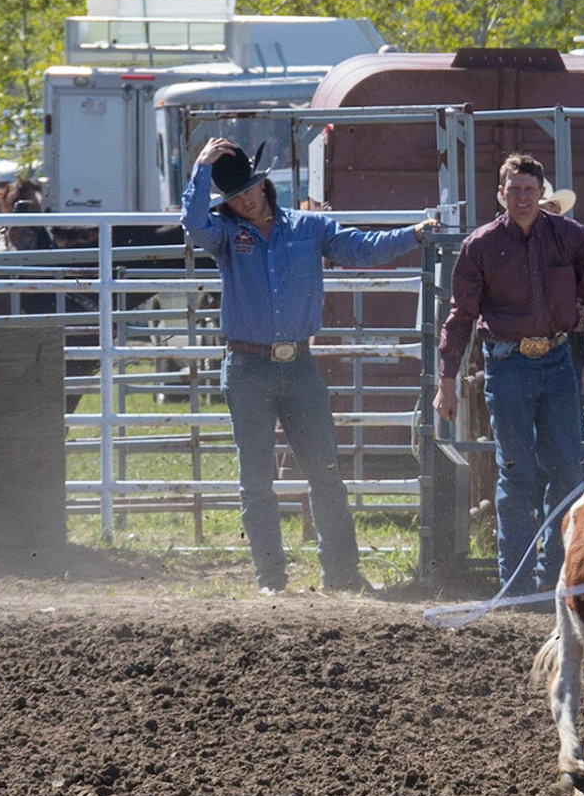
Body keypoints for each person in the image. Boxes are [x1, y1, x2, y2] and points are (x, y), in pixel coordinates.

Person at [181, 138, 434, 594]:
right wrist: (200, 168)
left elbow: (363, 248)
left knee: (325, 470)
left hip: (296, 363)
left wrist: (413, 234)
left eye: (250, 189)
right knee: (257, 478)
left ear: (263, 185)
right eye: (236, 196)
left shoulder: (309, 227)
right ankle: (272, 579)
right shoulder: (225, 235)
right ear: (228, 203)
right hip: (248, 364)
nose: (246, 200)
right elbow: (193, 223)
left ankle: (340, 573)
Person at [435, 154, 584, 594]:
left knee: (566, 470)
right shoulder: (480, 245)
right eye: (513, 189)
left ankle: (554, 579)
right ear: (501, 194)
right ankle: (514, 585)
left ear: (541, 192)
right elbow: (460, 317)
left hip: (557, 360)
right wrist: (446, 382)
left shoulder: (569, 236)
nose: (522, 197)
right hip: (506, 362)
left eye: (529, 189)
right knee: (516, 472)